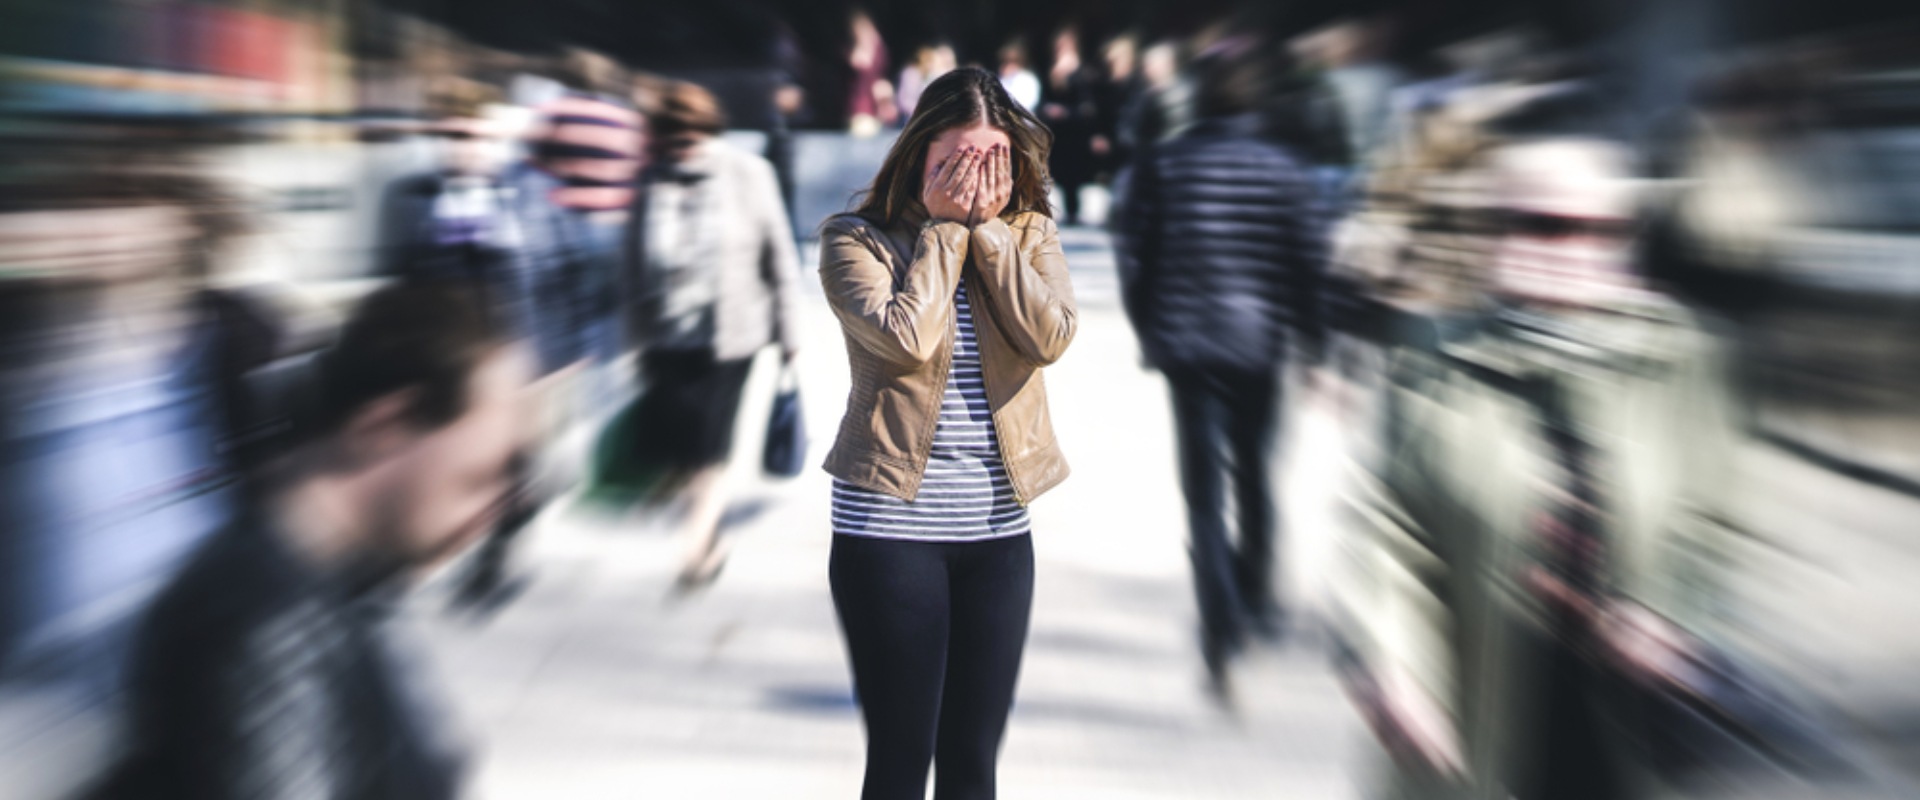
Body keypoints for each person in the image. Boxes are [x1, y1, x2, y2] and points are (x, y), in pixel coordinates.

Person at [1334, 133, 1757, 800]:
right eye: (1541, 225)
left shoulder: (1680, 359)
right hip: (1479, 697)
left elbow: (1710, 515)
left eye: (1600, 230)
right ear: (1490, 231)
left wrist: (1670, 610)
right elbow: (1388, 528)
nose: (1571, 250)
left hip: (1623, 708)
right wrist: (1396, 664)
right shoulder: (1430, 358)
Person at [104, 283, 532, 799]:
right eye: (477, 477)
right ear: (386, 426)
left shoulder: (342, 583)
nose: (494, 509)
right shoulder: (265, 632)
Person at [818, 66, 1075, 800]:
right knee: (901, 761)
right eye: (950, 164)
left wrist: (987, 235)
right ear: (915, 154)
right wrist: (941, 233)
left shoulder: (1030, 237)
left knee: (972, 765)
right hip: (889, 530)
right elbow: (907, 338)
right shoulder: (856, 241)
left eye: (987, 163)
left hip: (998, 533)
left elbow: (1050, 336)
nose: (969, 181)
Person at [1115, 44, 1328, 699]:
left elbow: (1136, 257)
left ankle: (1219, 626)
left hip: (1188, 348)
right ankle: (1255, 601)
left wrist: (1149, 329)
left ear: (1199, 97)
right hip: (1259, 347)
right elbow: (1307, 263)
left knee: (1203, 497)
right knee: (1257, 477)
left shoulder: (1164, 165)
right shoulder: (1285, 170)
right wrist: (1315, 343)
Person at [624, 80, 803, 590]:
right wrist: (632, 339)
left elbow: (779, 255)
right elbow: (631, 266)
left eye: (690, 138)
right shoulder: (649, 182)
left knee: (708, 445)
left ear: (709, 131)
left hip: (732, 337)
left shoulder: (749, 174)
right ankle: (705, 529)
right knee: (682, 449)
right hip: (666, 338)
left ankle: (696, 549)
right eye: (672, 141)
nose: (683, 149)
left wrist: (789, 330)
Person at [1040, 27, 1101, 226]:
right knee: (1062, 171)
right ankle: (1069, 210)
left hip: (1076, 132)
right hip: (1060, 133)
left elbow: (1087, 106)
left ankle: (1075, 211)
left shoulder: (1081, 72)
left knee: (1075, 171)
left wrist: (1066, 112)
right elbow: (1044, 100)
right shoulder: (1052, 71)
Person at [896, 43, 957, 122]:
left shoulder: (939, 75)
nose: (930, 64)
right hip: (913, 118)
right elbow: (904, 100)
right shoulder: (912, 74)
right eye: (928, 60)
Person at [997, 41, 1041, 112]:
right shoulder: (1001, 80)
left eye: (1011, 62)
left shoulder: (1028, 79)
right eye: (1004, 62)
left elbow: (1028, 103)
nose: (1006, 66)